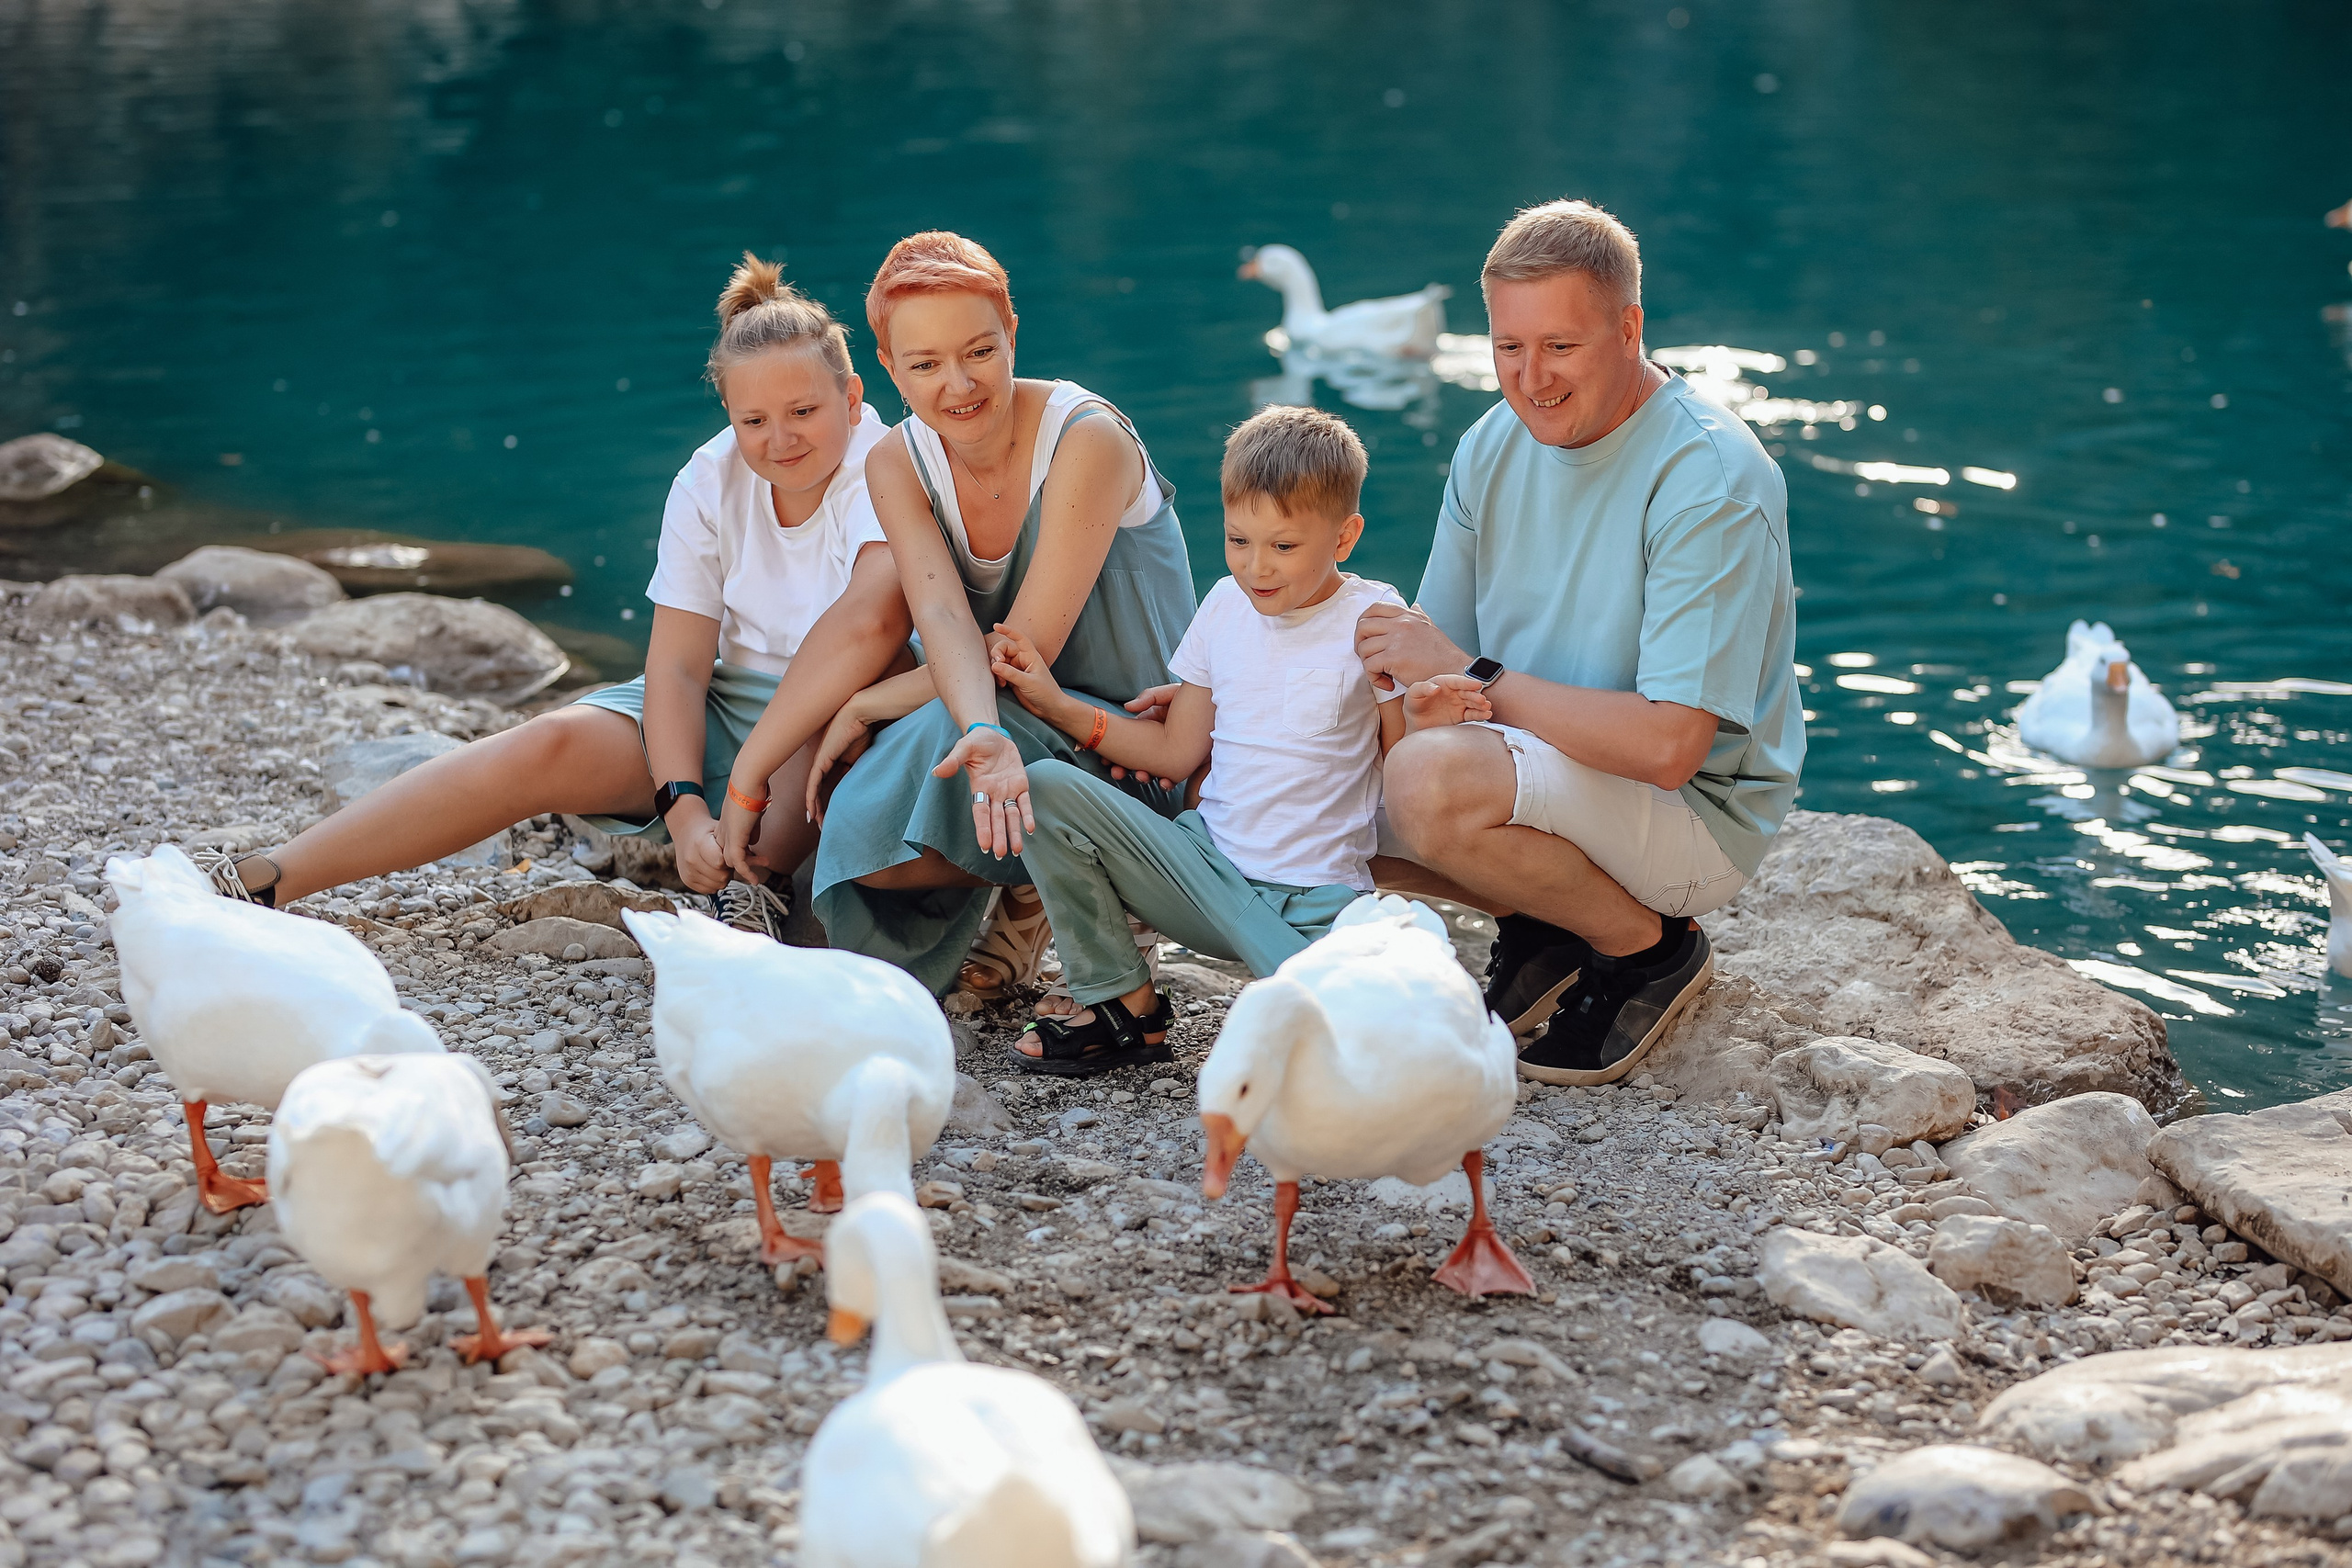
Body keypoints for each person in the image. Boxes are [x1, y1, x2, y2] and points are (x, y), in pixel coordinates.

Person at [197, 254, 912, 931]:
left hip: (844, 705)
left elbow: (867, 629)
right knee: (546, 742)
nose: (779, 438)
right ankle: (270, 877)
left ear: (851, 399)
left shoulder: (882, 466)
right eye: (753, 420)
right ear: (728, 411)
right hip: (728, 701)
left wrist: (740, 789)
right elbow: (678, 667)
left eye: (803, 412)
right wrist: (684, 805)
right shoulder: (707, 478)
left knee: (815, 721)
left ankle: (748, 900)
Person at [1357, 199, 1804, 1088]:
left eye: (1561, 346)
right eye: (1508, 348)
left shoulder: (1708, 479)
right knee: (1268, 772)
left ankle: (1643, 947)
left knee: (1427, 783)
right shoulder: (1491, 443)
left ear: (1629, 326)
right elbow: (1426, 659)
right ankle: (1547, 919)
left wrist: (1468, 676)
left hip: (1691, 816)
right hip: (1544, 763)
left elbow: (1669, 748)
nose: (1532, 379)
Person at [980, 404, 1495, 1075]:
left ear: (1345, 536)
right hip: (1202, 875)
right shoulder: (1223, 605)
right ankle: (1123, 1004)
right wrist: (1056, 705)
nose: (1257, 567)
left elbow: (1401, 776)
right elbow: (1174, 754)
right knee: (1044, 786)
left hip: (1318, 903)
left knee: (1390, 1049)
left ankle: (1299, 983)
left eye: (1284, 546)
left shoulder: (1376, 619)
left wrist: (1426, 713)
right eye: (1238, 540)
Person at [807, 231, 1197, 998]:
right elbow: (946, 621)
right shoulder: (896, 461)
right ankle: (1031, 887)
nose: (958, 385)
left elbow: (1025, 649)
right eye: (924, 364)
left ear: (1012, 332)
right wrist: (967, 723)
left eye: (979, 351)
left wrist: (872, 700)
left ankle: (1121, 886)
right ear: (887, 367)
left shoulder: (1087, 440)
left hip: (1131, 735)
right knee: (864, 837)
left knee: (936, 740)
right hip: (1003, 709)